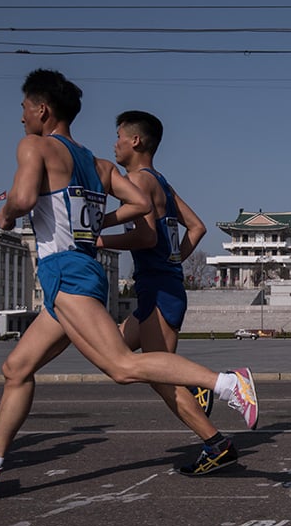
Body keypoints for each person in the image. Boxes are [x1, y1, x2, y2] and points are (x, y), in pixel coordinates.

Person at [0, 69, 258, 490]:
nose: (21, 118)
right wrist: (94, 225)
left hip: (67, 272)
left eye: (24, 109)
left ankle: (227, 383)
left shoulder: (35, 146)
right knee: (16, 367)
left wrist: (9, 212)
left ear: (42, 109)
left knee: (122, 368)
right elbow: (139, 203)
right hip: (74, 274)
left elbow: (26, 198)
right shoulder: (98, 164)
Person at [107, 109, 250, 476]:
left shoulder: (138, 179)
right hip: (162, 286)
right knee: (116, 354)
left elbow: (145, 236)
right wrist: (174, 261)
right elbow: (197, 227)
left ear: (135, 141)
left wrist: (98, 240)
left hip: (157, 289)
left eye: (119, 135)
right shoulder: (161, 182)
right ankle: (196, 387)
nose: (115, 143)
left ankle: (216, 443)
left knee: (157, 378)